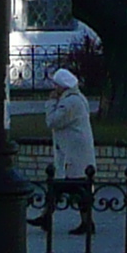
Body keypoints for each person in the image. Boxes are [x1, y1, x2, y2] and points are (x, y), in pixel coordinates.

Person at [30, 66, 98, 236]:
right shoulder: (76, 98)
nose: (54, 89)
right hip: (74, 152)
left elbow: (53, 121)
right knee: (60, 186)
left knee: (76, 186)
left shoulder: (70, 102)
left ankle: (86, 222)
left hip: (74, 155)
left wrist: (51, 103)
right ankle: (47, 216)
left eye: (56, 85)